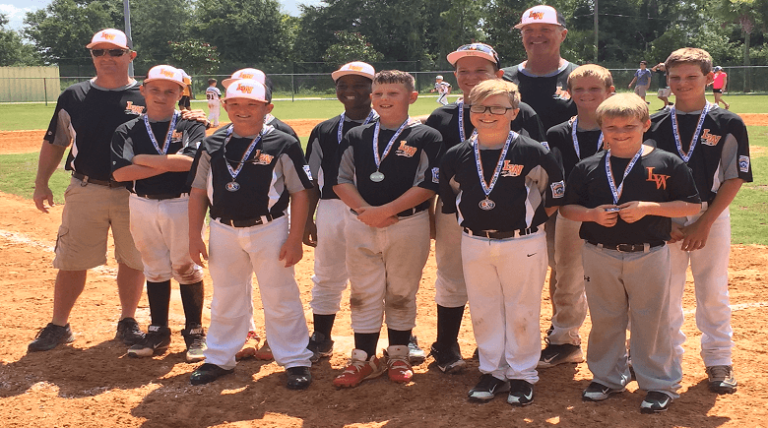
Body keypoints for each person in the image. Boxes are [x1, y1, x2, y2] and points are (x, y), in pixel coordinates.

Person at [561, 93, 701, 413]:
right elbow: (568, 208)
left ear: (646, 125)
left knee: (651, 319)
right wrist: (592, 215)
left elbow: (692, 205)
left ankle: (658, 383)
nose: (620, 133)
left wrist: (651, 208)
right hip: (600, 251)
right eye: (611, 127)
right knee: (605, 317)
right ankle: (607, 378)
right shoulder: (589, 167)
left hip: (649, 252)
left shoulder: (665, 162)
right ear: (601, 129)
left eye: (629, 126)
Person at [439, 79, 565, 406]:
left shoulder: (531, 150)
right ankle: (492, 371)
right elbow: (451, 195)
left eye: (497, 107)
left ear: (513, 112)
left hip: (521, 241)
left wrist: (531, 221)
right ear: (470, 113)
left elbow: (554, 193)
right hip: (474, 241)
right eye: (479, 107)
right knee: (483, 307)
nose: (487, 113)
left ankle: (522, 374)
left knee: (522, 308)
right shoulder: (458, 154)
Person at [424, 42, 547, 375]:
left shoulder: (522, 112)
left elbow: (540, 168)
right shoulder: (443, 116)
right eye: (463, 71)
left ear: (499, 75)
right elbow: (436, 172)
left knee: (505, 282)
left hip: (512, 210)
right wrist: (436, 214)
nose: (470, 76)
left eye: (480, 70)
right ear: (454, 76)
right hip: (457, 211)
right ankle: (446, 343)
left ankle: (501, 348)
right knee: (451, 275)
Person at [187, 79, 315, 389]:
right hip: (222, 228)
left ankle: (296, 359)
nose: (243, 111)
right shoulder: (212, 143)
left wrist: (294, 237)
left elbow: (300, 193)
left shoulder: (282, 143)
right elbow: (197, 191)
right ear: (226, 106)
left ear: (267, 108)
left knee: (280, 294)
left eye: (252, 105)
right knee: (227, 295)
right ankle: (219, 357)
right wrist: (194, 235)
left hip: (268, 227)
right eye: (235, 105)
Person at [29, 28, 148, 352]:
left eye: (114, 52)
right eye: (99, 52)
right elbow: (56, 142)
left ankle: (127, 321)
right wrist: (41, 184)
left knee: (133, 259)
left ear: (130, 56)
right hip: (86, 188)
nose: (106, 58)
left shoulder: (145, 96)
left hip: (133, 193)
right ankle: (59, 325)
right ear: (92, 56)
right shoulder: (74, 96)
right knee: (71, 260)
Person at [647, 48, 752, 395]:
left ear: (709, 78)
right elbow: (643, 175)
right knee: (666, 292)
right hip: (665, 217)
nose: (682, 83)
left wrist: (704, 223)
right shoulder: (656, 122)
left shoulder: (727, 122)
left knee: (712, 290)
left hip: (711, 213)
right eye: (675, 77)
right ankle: (667, 361)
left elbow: (734, 176)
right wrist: (663, 222)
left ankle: (719, 360)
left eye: (692, 77)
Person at [330, 70, 443, 388]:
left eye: (392, 94)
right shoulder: (358, 135)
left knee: (402, 291)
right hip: (361, 222)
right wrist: (367, 212)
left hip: (408, 223)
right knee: (363, 291)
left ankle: (398, 353)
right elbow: (340, 179)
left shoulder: (426, 136)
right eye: (378, 94)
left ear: (412, 97)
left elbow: (429, 182)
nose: (383, 100)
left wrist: (387, 211)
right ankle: (362, 358)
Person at [110, 65, 207, 362]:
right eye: (155, 89)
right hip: (141, 203)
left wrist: (143, 159)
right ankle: (158, 330)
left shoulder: (191, 125)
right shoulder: (128, 128)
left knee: (185, 267)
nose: (162, 96)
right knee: (153, 266)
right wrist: (169, 161)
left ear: (180, 93)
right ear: (143, 91)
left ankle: (194, 332)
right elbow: (119, 173)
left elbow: (192, 162)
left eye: (170, 90)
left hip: (181, 203)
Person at [501, 4, 579, 356]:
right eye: (528, 31)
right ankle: (514, 332)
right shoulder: (505, 80)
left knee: (565, 266)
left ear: (562, 34)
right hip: (512, 188)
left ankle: (564, 336)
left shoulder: (578, 77)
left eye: (545, 30)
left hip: (567, 187)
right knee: (519, 264)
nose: (536, 36)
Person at [303, 61, 379, 363]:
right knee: (326, 272)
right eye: (343, 85)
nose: (350, 91)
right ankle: (321, 336)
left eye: (359, 84)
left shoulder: (387, 125)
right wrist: (309, 217)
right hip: (332, 208)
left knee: (381, 275)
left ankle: (402, 334)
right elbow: (310, 178)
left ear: (373, 89)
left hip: (376, 209)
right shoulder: (324, 130)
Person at [541, 64, 614, 368]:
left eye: (594, 89)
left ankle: (619, 347)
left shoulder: (621, 127)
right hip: (569, 213)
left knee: (614, 281)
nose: (586, 95)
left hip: (613, 214)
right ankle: (566, 341)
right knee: (567, 277)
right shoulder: (558, 133)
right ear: (569, 94)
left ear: (610, 92)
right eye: (579, 90)